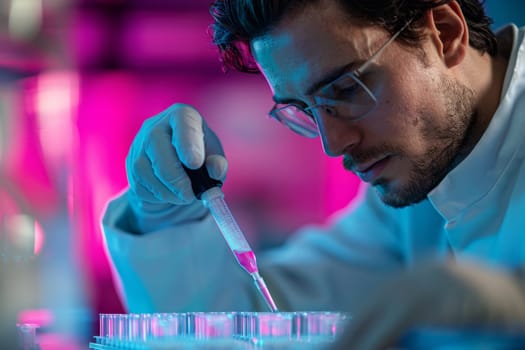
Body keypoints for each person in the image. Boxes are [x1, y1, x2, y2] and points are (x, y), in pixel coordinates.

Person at [102, 0, 525, 348]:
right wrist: (159, 213)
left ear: (446, 33)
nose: (333, 144)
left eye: (346, 89)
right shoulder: (412, 196)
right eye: (304, 110)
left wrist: (515, 303)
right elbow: (261, 322)